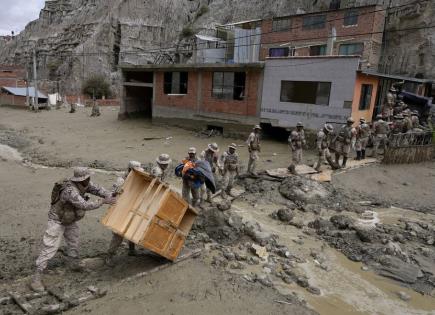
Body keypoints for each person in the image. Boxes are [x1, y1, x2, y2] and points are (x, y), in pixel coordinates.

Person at [30, 167, 114, 292]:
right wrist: (103, 201)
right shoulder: (70, 191)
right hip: (57, 220)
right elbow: (84, 205)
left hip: (69, 219)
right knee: (50, 247)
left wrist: (109, 195)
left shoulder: (85, 183)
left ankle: (73, 264)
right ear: (81, 179)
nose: (89, 180)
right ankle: (36, 278)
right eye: (87, 178)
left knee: (73, 241)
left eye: (89, 177)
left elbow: (97, 189)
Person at [105, 161, 143, 267]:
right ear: (130, 170)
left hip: (132, 207)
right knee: (118, 234)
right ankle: (109, 256)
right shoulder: (121, 181)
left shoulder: (137, 178)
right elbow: (111, 195)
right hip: (120, 209)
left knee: (132, 229)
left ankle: (131, 250)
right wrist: (118, 193)